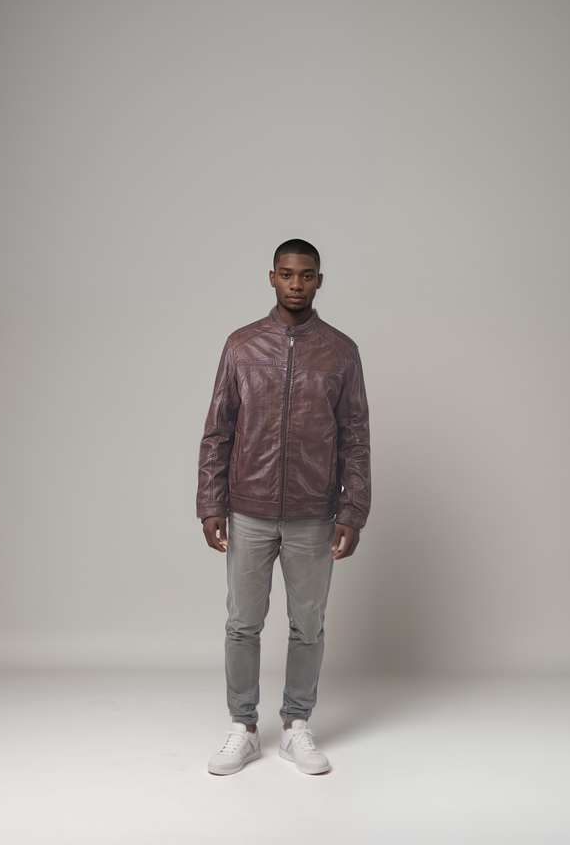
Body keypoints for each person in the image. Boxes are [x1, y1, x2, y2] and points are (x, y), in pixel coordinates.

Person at [197, 239, 370, 775]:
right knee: (242, 624)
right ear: (272, 277)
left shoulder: (341, 352)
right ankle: (243, 729)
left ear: (319, 280)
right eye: (288, 274)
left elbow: (355, 436)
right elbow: (218, 430)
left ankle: (296, 726)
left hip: (314, 512)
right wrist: (211, 501)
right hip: (248, 508)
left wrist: (353, 510)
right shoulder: (242, 346)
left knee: (308, 626)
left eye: (307, 275)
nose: (297, 284)